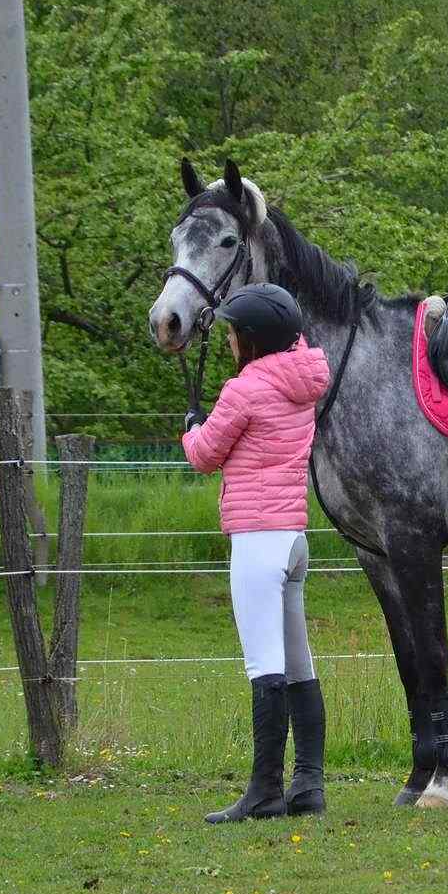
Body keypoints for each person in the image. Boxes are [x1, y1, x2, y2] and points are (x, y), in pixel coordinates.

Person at [182, 283, 332, 823]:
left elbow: (204, 457)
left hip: (256, 538)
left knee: (264, 664)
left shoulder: (243, 389)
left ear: (250, 340)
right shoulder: (304, 380)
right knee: (298, 662)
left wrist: (191, 428)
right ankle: (308, 784)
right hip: (293, 536)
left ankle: (264, 791)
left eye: (232, 333)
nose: (226, 341)